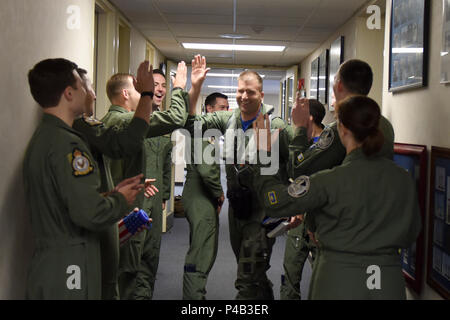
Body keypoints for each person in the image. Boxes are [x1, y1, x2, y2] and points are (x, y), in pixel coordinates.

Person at [251, 95, 421, 299]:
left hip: (340, 278)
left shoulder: (329, 180)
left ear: (343, 130)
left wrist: (263, 153)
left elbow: (274, 202)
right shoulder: (403, 179)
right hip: (388, 280)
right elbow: (412, 232)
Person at [23, 58, 148, 299]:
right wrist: (120, 201)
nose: (90, 92)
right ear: (69, 94)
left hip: (52, 263)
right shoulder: (67, 144)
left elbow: (63, 201)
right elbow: (89, 213)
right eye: (82, 86)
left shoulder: (46, 137)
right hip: (70, 266)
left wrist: (111, 194)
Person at [184, 56, 293, 300]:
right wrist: (196, 87)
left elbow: (298, 163)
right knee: (253, 273)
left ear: (262, 95)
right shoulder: (228, 120)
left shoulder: (276, 126)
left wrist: (293, 204)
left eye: (251, 92)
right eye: (240, 91)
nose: (244, 96)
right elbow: (192, 124)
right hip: (238, 210)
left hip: (263, 212)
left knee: (245, 278)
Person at [102, 63, 189, 299]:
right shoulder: (126, 121)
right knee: (129, 274)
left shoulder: (110, 122)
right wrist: (179, 87)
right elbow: (177, 117)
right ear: (125, 94)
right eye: (139, 91)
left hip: (129, 204)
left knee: (140, 268)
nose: (145, 95)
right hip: (127, 212)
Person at [182, 92, 229, 299]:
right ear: (209, 109)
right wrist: (219, 193)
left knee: (200, 248)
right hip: (200, 192)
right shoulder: (204, 130)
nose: (226, 112)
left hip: (197, 191)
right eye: (222, 108)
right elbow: (206, 168)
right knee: (201, 254)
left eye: (228, 108)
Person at [133, 69, 174, 300]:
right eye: (155, 84)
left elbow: (166, 163)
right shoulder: (135, 120)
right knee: (133, 258)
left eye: (163, 85)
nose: (159, 89)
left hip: (156, 199)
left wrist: (166, 196)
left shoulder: (163, 123)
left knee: (151, 255)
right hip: (137, 199)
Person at [280, 99, 325, 300]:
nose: (292, 121)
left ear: (309, 118)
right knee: (289, 273)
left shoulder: (331, 146)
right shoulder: (298, 142)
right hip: (297, 219)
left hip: (321, 222)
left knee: (321, 279)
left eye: (296, 115)